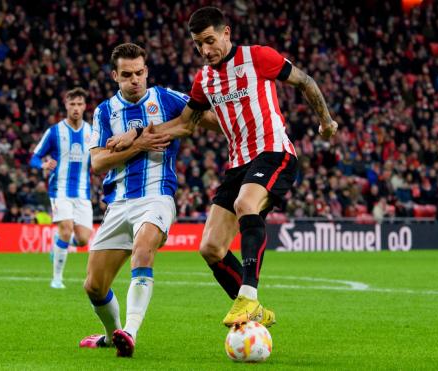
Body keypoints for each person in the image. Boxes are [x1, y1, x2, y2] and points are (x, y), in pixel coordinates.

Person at [108, 7, 338, 327]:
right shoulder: (204, 79)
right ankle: (251, 311)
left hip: (274, 152)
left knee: (246, 203)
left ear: (226, 33)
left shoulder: (257, 57)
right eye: (198, 44)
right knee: (210, 247)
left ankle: (248, 296)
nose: (205, 50)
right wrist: (134, 135)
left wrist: (326, 122)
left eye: (210, 40)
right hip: (238, 164)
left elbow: (305, 81)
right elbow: (184, 125)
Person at [78, 43, 217, 357]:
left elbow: (198, 120)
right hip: (118, 204)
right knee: (93, 286)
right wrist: (139, 144)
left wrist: (143, 130)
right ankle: (111, 335)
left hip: (157, 196)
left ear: (146, 71)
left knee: (143, 250)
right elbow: (98, 163)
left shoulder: (164, 98)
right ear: (115, 76)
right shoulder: (104, 111)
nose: (134, 80)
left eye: (139, 72)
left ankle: (130, 331)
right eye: (126, 75)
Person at [30, 88, 94, 289]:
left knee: (83, 240)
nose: (76, 108)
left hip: (83, 192)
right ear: (66, 105)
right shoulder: (54, 132)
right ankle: (57, 278)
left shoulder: (92, 132)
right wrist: (43, 165)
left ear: (85, 106)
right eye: (72, 104)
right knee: (66, 229)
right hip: (59, 191)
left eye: (79, 104)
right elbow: (34, 157)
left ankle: (58, 244)